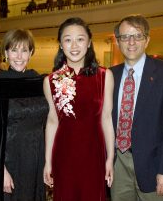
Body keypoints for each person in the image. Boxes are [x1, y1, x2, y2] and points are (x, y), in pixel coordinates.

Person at [110, 14, 163, 201]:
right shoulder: (110, 75)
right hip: (118, 162)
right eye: (125, 36)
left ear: (147, 40)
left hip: (153, 163)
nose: (131, 42)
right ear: (118, 41)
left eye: (137, 36)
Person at [43, 17, 115, 201]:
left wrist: (110, 158)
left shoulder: (104, 76)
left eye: (80, 39)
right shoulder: (51, 80)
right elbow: (52, 121)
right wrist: (48, 161)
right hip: (64, 155)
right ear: (60, 44)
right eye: (67, 39)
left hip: (94, 155)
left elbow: (106, 118)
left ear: (89, 42)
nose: (74, 45)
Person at [0, 29, 48, 201]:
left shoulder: (39, 82)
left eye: (24, 50)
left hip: (37, 159)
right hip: (11, 161)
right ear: (6, 52)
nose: (19, 56)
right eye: (14, 50)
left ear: (31, 53)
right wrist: (2, 170)